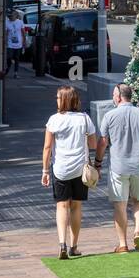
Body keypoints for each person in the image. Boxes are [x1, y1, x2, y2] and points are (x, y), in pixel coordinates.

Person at [96, 84, 139, 253]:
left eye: (113, 95)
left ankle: (123, 244)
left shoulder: (109, 116)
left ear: (118, 97)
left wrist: (97, 162)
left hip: (118, 167)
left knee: (120, 205)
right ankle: (137, 230)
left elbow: (103, 142)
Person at [42, 86, 97, 260]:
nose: (56, 100)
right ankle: (74, 246)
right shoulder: (84, 118)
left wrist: (45, 170)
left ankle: (61, 244)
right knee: (76, 206)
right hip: (80, 169)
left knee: (61, 206)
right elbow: (93, 143)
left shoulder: (54, 120)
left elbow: (47, 147)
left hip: (60, 168)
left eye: (58, 97)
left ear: (64, 100)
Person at [5, 9, 25, 78]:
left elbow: (23, 32)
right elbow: (6, 33)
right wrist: (5, 42)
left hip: (18, 44)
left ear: (16, 16)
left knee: (17, 58)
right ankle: (8, 67)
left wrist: (24, 42)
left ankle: (16, 73)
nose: (10, 17)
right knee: (9, 57)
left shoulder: (20, 22)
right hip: (10, 43)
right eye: (9, 16)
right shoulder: (7, 22)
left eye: (11, 16)